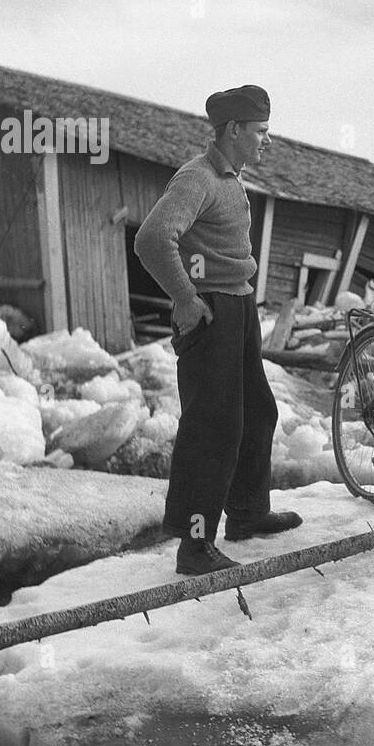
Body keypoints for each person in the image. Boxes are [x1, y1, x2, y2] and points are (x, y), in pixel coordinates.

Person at [134, 84, 302, 575]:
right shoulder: (198, 178)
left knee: (257, 410)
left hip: (238, 304)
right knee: (213, 426)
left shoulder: (229, 176)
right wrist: (185, 298)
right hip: (210, 311)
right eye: (261, 132)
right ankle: (194, 547)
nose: (267, 141)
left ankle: (247, 514)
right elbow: (151, 239)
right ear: (233, 130)